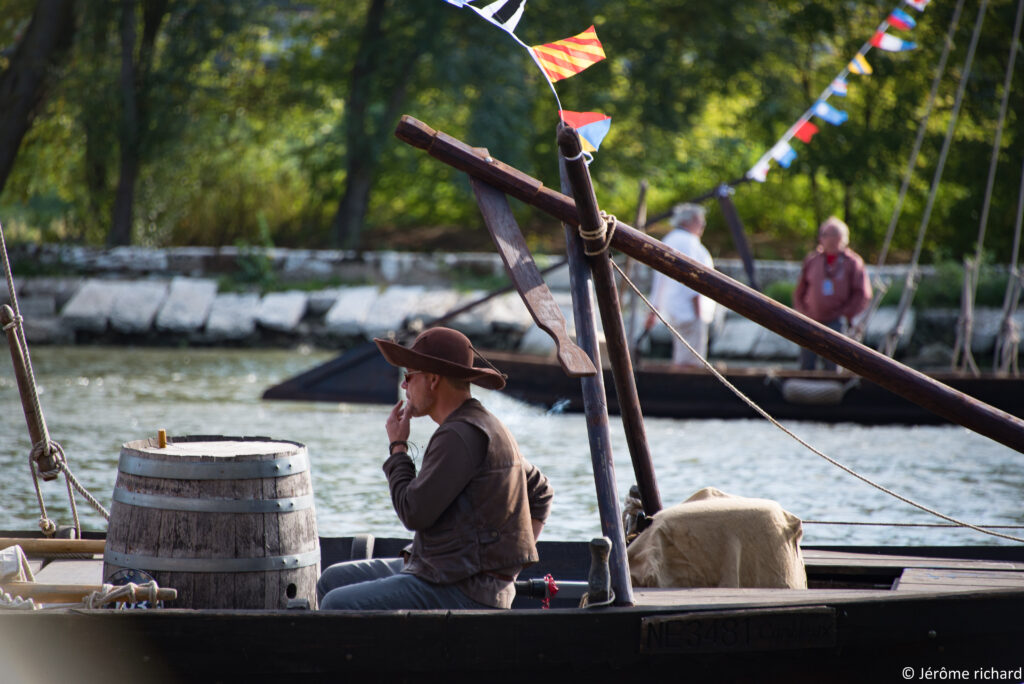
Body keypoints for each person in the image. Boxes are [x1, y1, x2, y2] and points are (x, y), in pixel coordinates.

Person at [318, 326, 553, 610]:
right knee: (332, 579)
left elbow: (412, 512)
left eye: (409, 377)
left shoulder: (458, 435)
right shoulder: (485, 423)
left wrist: (398, 448)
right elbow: (541, 491)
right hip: (443, 571)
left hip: (460, 588)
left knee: (335, 602)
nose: (404, 386)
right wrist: (505, 570)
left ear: (432, 380)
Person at [793, 216, 872, 371]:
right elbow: (800, 291)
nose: (822, 238)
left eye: (826, 234)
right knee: (806, 364)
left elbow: (862, 294)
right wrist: (803, 312)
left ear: (840, 238)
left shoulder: (853, 262)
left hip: (837, 323)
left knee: (834, 364)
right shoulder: (812, 260)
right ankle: (806, 392)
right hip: (810, 320)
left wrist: (845, 314)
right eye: (822, 235)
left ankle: (832, 390)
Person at [645, 203, 716, 367]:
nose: (703, 225)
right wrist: (698, 311)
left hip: (676, 309)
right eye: (700, 221)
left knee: (683, 356)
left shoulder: (670, 239)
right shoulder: (688, 242)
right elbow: (692, 278)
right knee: (692, 360)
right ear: (687, 222)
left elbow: (659, 280)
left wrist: (653, 310)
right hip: (691, 310)